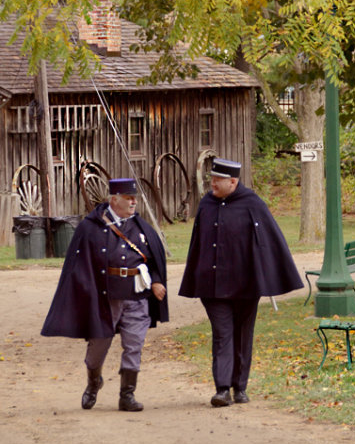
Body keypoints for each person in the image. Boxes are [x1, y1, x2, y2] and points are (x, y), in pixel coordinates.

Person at [179, 158, 303, 407]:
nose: (212, 183)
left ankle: (240, 387)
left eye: (217, 180)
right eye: (211, 179)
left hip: (246, 287)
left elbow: (269, 242)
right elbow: (197, 245)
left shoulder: (253, 204)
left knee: (243, 335)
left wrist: (267, 276)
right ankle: (222, 389)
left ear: (233, 182)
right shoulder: (206, 204)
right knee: (222, 335)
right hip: (213, 287)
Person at [41, 178, 168, 412]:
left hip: (136, 296)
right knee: (98, 348)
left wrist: (157, 281)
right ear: (114, 199)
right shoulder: (90, 227)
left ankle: (127, 395)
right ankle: (93, 381)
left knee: (134, 345)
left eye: (134, 198)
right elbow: (77, 266)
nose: (133, 202)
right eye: (128, 198)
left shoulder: (141, 227)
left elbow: (152, 259)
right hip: (104, 299)